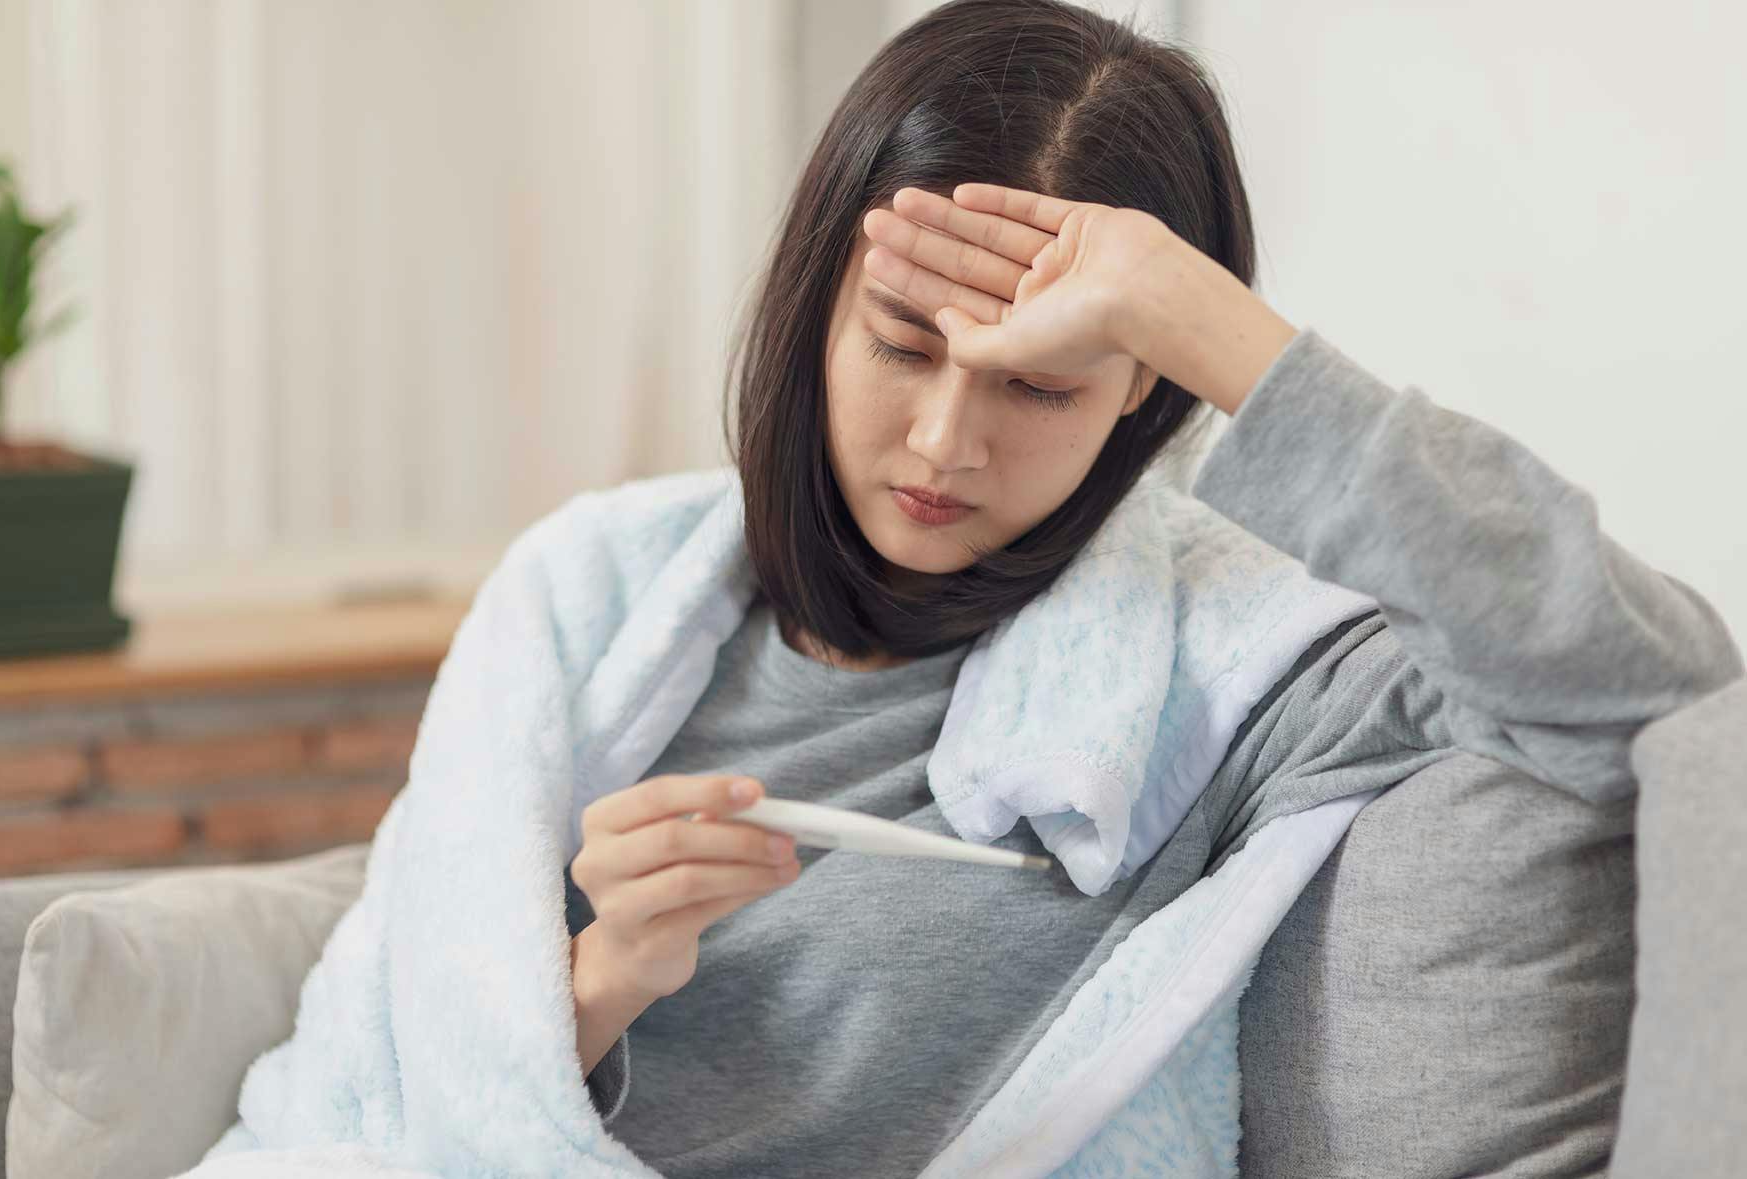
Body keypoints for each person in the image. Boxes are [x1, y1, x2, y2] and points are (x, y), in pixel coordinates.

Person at [562, 2, 1744, 1175]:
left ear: (1140, 391)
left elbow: (1666, 704)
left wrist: (1221, 335)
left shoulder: (1232, 677)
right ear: (815, 309)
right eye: (903, 346)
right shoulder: (602, 605)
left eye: (1037, 387)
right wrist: (603, 985)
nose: (942, 442)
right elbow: (421, 1071)